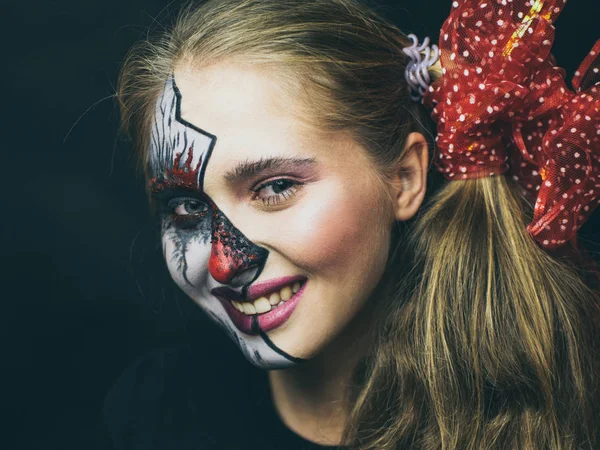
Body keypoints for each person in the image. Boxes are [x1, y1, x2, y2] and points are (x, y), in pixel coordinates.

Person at [101, 0, 600, 448]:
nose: (224, 261)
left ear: (404, 178)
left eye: (276, 187)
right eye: (186, 208)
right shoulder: (151, 413)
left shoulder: (577, 403)